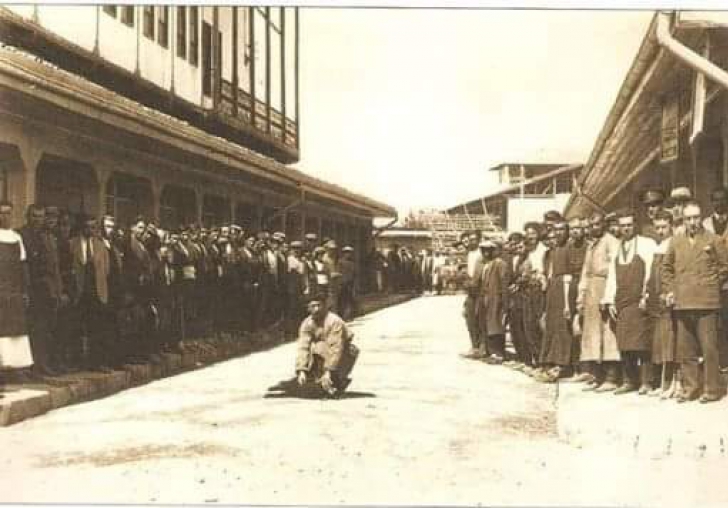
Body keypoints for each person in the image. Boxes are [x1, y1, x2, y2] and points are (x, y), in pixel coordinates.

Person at [662, 200, 728, 403]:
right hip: (683, 302)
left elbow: (724, 267)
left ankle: (712, 389)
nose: (693, 222)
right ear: (683, 220)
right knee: (686, 349)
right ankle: (690, 388)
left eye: (696, 217)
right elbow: (666, 268)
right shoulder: (675, 241)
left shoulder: (714, 240)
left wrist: (710, 284)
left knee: (709, 347)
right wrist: (671, 290)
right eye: (688, 218)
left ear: (701, 218)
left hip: (707, 302)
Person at [603, 209, 657, 395]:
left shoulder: (646, 244)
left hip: (639, 300)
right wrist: (610, 300)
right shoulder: (617, 247)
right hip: (622, 302)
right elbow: (612, 276)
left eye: (629, 225)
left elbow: (651, 271)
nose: (626, 229)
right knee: (624, 343)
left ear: (635, 225)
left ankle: (646, 382)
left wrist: (646, 295)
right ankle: (628, 381)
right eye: (622, 225)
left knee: (642, 344)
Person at [576, 212, 621, 392]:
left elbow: (614, 269)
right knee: (592, 334)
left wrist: (609, 296)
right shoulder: (591, 245)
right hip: (592, 291)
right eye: (591, 225)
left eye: (597, 224)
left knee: (608, 333)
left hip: (605, 287)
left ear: (604, 224)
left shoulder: (611, 241)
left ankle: (611, 377)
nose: (594, 228)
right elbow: (585, 271)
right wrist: (581, 294)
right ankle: (597, 375)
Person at [293, 293, 359, 398]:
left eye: (319, 305)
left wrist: (328, 371)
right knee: (316, 348)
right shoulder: (307, 323)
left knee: (322, 349)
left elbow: (336, 347)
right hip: (323, 351)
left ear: (325, 306)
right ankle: (323, 381)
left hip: (344, 351)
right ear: (308, 308)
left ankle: (337, 379)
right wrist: (301, 370)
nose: (317, 309)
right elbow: (303, 346)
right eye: (313, 306)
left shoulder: (333, 320)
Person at [644, 210, 679, 398]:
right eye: (657, 227)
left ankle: (672, 383)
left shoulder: (674, 243)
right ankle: (661, 382)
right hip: (656, 300)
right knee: (658, 342)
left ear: (671, 226)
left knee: (670, 341)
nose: (660, 230)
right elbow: (652, 275)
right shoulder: (657, 246)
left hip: (668, 298)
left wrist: (669, 292)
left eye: (664, 227)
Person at [70, 215, 112, 372]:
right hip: (78, 293)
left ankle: (96, 363)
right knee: (76, 329)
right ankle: (76, 363)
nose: (90, 230)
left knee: (97, 329)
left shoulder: (101, 245)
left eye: (93, 227)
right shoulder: (72, 244)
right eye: (87, 227)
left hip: (96, 292)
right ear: (82, 228)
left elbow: (106, 270)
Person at [0, 200, 33, 396]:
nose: (4, 217)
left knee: (12, 332)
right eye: (1, 213)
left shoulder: (16, 238)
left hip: (13, 292)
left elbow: (23, 267)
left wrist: (24, 291)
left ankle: (9, 372)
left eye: (8, 213)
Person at [537, 221, 575, 382]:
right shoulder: (552, 251)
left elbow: (570, 275)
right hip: (552, 290)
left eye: (561, 230)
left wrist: (568, 302)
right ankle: (549, 362)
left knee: (563, 329)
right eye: (555, 230)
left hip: (564, 290)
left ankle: (563, 365)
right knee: (551, 327)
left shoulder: (570, 247)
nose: (558, 233)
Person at [474, 239, 509, 363]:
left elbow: (504, 283)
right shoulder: (485, 264)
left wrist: (504, 302)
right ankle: (489, 351)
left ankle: (498, 353)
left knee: (496, 326)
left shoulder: (500, 264)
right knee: (486, 324)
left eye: (489, 249)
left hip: (495, 299)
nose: (486, 252)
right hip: (485, 298)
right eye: (483, 250)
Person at [461, 231, 484, 359]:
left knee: (480, 318)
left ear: (479, 240)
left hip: (480, 289)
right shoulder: (468, 254)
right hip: (470, 291)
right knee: (470, 318)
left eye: (474, 239)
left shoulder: (482, 254)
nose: (471, 242)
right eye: (469, 239)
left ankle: (482, 347)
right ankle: (474, 346)